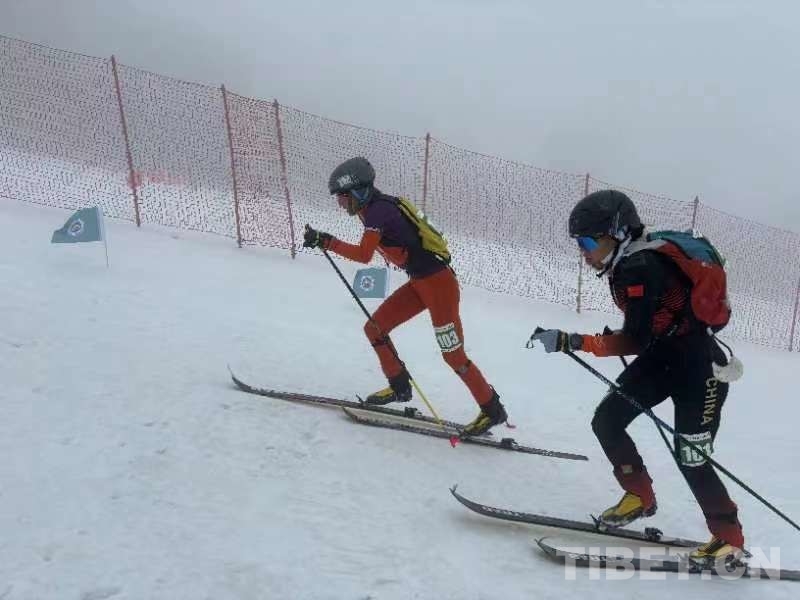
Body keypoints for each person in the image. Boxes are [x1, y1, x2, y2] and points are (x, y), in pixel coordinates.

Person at [531, 189, 744, 567]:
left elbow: (634, 340)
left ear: (617, 234)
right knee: (607, 420)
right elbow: (646, 329)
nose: (583, 252)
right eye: (580, 243)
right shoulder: (629, 262)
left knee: (691, 457)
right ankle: (639, 496)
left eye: (588, 242)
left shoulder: (639, 266)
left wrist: (573, 341)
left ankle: (729, 539)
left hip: (700, 369)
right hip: (663, 358)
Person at [302, 157, 507, 436]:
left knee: (453, 356)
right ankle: (399, 387)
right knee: (374, 328)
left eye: (342, 197)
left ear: (358, 191)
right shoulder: (372, 209)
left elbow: (363, 255)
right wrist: (324, 240)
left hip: (440, 287)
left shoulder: (379, 212)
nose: (340, 204)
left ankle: (493, 410)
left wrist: (326, 241)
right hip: (420, 284)